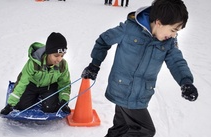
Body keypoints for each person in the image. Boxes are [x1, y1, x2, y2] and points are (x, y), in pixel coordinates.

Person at [81, 0, 198, 136]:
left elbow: (176, 61)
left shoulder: (169, 43)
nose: (173, 35)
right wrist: (94, 64)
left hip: (141, 93)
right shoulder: (129, 30)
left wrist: (186, 82)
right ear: (159, 23)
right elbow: (103, 40)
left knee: (121, 128)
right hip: (123, 88)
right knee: (145, 130)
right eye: (173, 30)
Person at [0, 32, 71, 115]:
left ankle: (46, 98)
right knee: (21, 106)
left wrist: (64, 101)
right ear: (48, 52)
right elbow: (22, 81)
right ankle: (33, 97)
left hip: (49, 87)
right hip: (32, 85)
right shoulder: (34, 63)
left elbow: (65, 83)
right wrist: (10, 104)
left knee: (51, 108)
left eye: (62, 55)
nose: (59, 59)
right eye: (56, 55)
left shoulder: (62, 65)